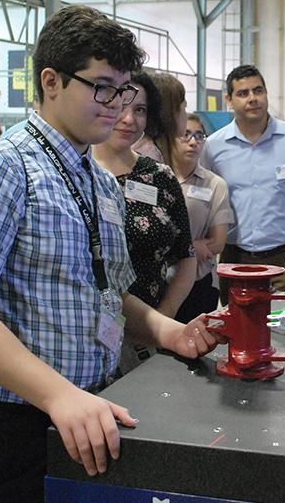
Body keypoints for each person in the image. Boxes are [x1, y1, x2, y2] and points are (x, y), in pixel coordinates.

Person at [0, 5, 221, 503]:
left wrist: (170, 332)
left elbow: (104, 292)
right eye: (101, 87)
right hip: (7, 420)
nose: (116, 106)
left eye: (123, 90)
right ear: (51, 81)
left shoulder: (96, 177)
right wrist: (58, 395)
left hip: (79, 406)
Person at [92, 70, 196, 373]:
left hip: (149, 336)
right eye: (122, 106)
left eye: (140, 110)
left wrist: (162, 320)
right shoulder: (78, 174)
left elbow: (186, 256)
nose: (129, 119)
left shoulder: (160, 177)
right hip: (86, 336)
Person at [201, 64, 285, 301]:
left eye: (258, 90)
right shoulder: (213, 147)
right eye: (243, 93)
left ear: (266, 93)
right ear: (229, 100)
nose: (252, 98)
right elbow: (208, 200)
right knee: (237, 321)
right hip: (235, 258)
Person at [169, 114, 234, 323]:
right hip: (157, 280)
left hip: (199, 282)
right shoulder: (154, 178)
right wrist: (190, 247)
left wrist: (174, 251)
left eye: (199, 136)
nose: (193, 141)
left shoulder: (215, 185)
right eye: (185, 134)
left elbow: (217, 243)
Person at [132, 72, 187, 163]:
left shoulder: (153, 148)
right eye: (184, 108)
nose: (186, 116)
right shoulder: (149, 155)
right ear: (170, 111)